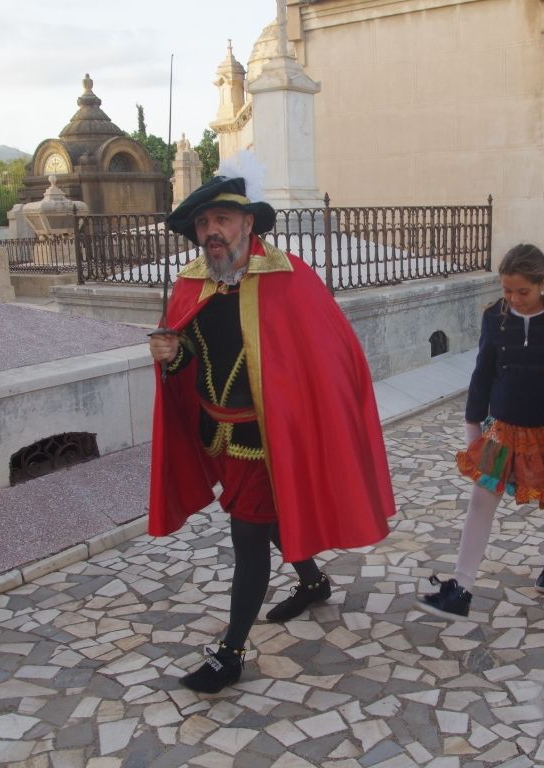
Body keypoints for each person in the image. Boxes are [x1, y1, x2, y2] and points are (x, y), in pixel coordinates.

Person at [147, 160, 397, 693]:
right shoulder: (192, 284)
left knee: (250, 536)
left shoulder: (288, 277)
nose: (211, 232)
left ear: (247, 224)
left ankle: (231, 652)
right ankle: (313, 581)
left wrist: (310, 415)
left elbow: (331, 353)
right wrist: (170, 356)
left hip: (272, 437)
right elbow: (189, 357)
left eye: (221, 220)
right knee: (281, 520)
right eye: (202, 224)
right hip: (219, 434)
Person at [418, 243, 544, 619]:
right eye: (507, 290)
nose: (513, 298)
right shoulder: (495, 316)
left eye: (522, 292)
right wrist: (472, 425)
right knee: (481, 500)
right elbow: (482, 372)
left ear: (543, 283)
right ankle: (461, 587)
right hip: (504, 429)